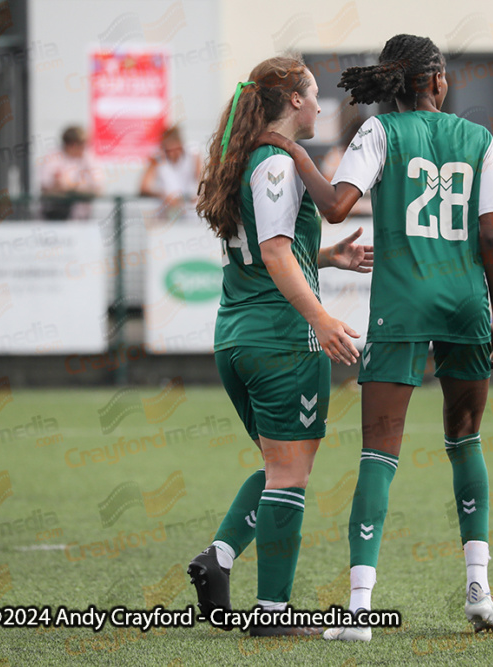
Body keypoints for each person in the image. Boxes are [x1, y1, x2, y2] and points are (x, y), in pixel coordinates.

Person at [263, 33, 493, 642]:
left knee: (379, 451)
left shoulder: (377, 132)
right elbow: (491, 239)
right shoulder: (479, 139)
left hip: (401, 305)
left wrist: (291, 150)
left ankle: (358, 610)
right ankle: (478, 589)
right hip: (463, 306)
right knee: (466, 439)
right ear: (436, 82)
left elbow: (337, 207)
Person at [186, 56, 373, 637]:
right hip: (281, 341)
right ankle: (273, 614)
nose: (321, 107)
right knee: (290, 474)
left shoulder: (247, 158)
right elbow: (271, 254)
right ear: (294, 101)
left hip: (237, 336)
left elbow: (266, 252)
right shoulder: (274, 163)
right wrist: (319, 318)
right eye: (316, 96)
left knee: (276, 467)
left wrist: (328, 257)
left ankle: (218, 557)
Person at [39, 126, 104, 220]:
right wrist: (75, 188)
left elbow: (98, 187)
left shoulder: (89, 158)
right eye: (80, 145)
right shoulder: (53, 157)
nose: (83, 148)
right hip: (55, 215)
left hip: (82, 215)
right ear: (71, 145)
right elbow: (46, 186)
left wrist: (70, 188)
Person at [139, 124, 202, 219]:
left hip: (190, 210)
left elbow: (201, 181)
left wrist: (197, 196)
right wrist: (164, 196)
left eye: (174, 149)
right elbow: (144, 187)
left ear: (180, 144)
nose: (171, 154)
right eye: (168, 150)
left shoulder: (193, 156)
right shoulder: (157, 159)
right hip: (166, 211)